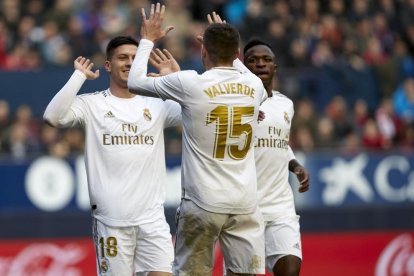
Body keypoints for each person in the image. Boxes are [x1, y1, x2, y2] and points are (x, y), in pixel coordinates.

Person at [127, 3, 267, 276]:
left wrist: (147, 40)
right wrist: (225, 39)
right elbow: (236, 76)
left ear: (203, 51)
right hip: (245, 203)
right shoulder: (255, 86)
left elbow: (135, 81)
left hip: (202, 204)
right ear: (237, 54)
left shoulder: (191, 83)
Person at [43, 35, 181, 276]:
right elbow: (52, 117)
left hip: (153, 220)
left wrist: (175, 79)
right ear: (108, 65)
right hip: (112, 222)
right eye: (122, 58)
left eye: (135, 58)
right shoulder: (93, 105)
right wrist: (79, 76)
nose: (129, 63)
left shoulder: (157, 105)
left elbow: (196, 113)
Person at [242, 38, 310, 276]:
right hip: (245, 207)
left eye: (266, 59)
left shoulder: (285, 104)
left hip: (281, 205)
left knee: (290, 270)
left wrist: (295, 165)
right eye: (253, 60)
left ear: (275, 67)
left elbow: (281, 143)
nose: (260, 64)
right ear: (243, 65)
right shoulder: (234, 103)